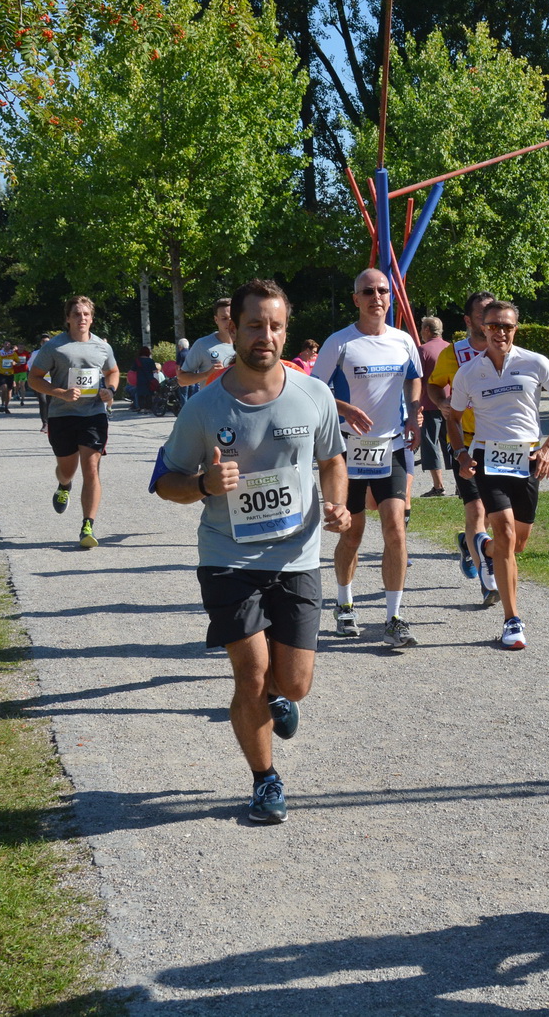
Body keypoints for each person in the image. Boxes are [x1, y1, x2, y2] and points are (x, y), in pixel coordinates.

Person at [151, 278, 349, 824]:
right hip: (228, 558)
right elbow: (166, 481)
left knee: (295, 684)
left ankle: (281, 700)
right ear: (233, 328)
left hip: (298, 557)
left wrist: (338, 506)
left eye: (276, 325)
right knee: (252, 673)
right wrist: (205, 486)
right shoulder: (204, 406)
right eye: (255, 324)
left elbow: (333, 460)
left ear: (286, 331)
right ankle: (265, 781)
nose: (266, 335)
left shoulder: (315, 395)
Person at [448, 300, 549, 649]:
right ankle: (512, 620)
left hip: (527, 460)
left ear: (516, 329)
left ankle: (480, 547)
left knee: (514, 545)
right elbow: (453, 418)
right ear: (482, 328)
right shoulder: (469, 373)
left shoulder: (535, 362)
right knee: (503, 530)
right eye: (493, 326)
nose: (500, 332)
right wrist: (461, 453)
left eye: (507, 326)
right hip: (488, 459)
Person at [310, 269, 424, 646]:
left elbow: (414, 377)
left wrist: (414, 412)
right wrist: (345, 408)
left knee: (395, 528)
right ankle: (344, 604)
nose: (376, 297)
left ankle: (394, 617)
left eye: (382, 291)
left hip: (390, 447)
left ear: (390, 297)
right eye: (368, 291)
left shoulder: (403, 340)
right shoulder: (340, 343)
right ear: (355, 298)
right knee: (352, 534)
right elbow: (313, 390)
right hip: (348, 451)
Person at [27, 296, 121, 549]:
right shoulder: (55, 347)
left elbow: (113, 371)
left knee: (91, 468)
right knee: (67, 470)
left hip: (93, 415)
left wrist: (110, 390)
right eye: (77, 314)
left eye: (86, 314)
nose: (82, 319)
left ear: (92, 318)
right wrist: (60, 393)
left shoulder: (102, 346)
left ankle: (87, 525)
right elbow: (33, 379)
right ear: (68, 318)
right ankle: (64, 484)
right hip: (62, 416)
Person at [428, 290, 497, 601]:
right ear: (469, 320)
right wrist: (442, 402)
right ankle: (488, 580)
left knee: (497, 514)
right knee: (477, 509)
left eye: (494, 313)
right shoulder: (453, 354)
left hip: (498, 442)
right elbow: (433, 384)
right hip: (463, 441)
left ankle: (471, 546)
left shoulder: (506, 350)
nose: (490, 320)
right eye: (483, 315)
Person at [416, 315, 451, 498]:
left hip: (429, 404)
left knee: (430, 444)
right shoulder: (451, 349)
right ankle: (462, 484)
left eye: (422, 328)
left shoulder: (422, 351)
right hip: (451, 404)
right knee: (451, 442)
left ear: (427, 330)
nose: (421, 331)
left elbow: (417, 381)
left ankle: (438, 486)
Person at [179, 299, 235, 395]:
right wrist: (207, 374)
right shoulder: (203, 344)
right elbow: (182, 380)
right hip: (212, 407)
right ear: (216, 320)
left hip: (239, 407)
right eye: (224, 318)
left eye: (232, 318)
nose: (229, 322)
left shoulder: (247, 344)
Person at [132, 345, 159, 411]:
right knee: (149, 394)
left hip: (140, 380)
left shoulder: (137, 360)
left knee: (140, 394)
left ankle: (142, 408)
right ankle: (148, 408)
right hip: (149, 380)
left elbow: (133, 370)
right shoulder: (151, 361)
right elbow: (155, 370)